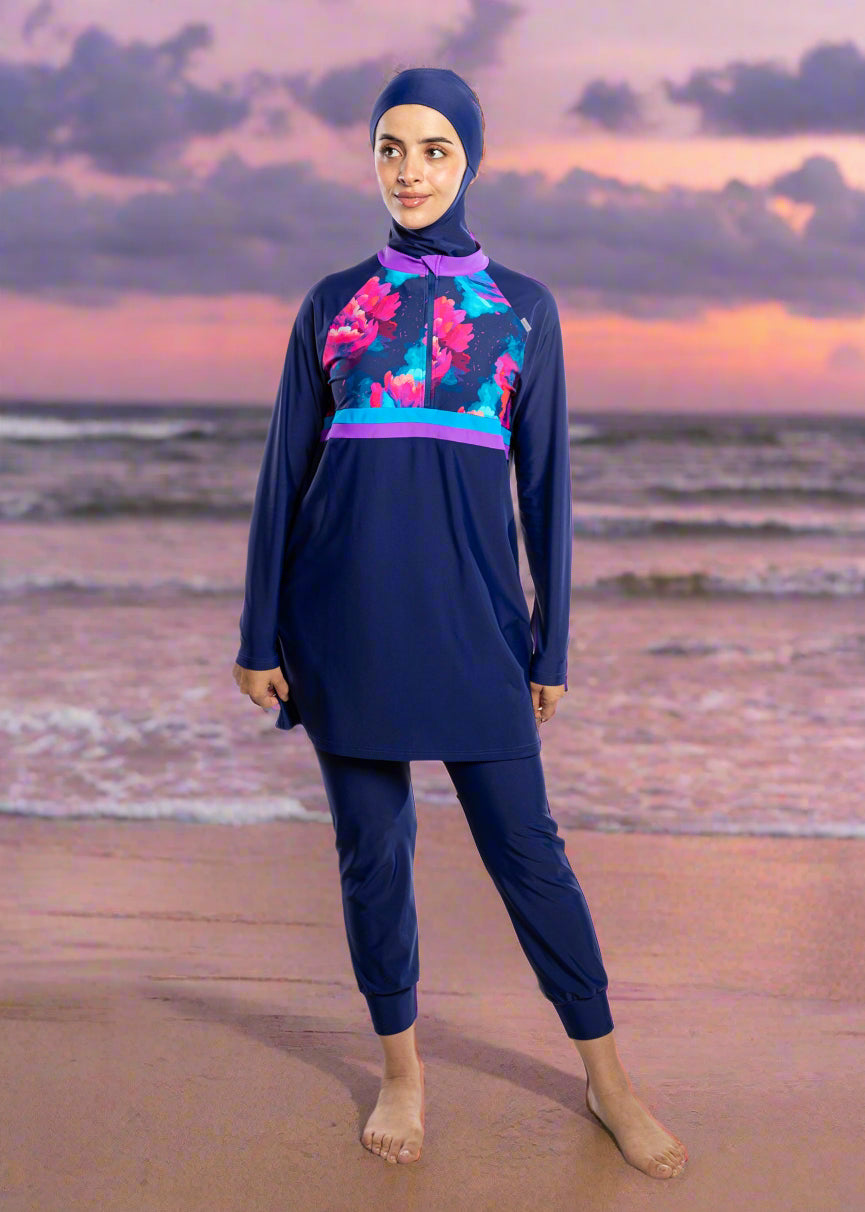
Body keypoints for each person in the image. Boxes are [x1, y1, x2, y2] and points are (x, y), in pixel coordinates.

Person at [232, 66, 687, 1180]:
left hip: (477, 630)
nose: (409, 170)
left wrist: (551, 642)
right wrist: (256, 633)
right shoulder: (331, 302)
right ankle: (402, 1071)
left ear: (470, 158)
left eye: (433, 148)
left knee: (530, 856)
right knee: (372, 855)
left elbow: (546, 490)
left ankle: (608, 1080)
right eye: (390, 147)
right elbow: (282, 473)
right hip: (341, 625)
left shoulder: (523, 309)